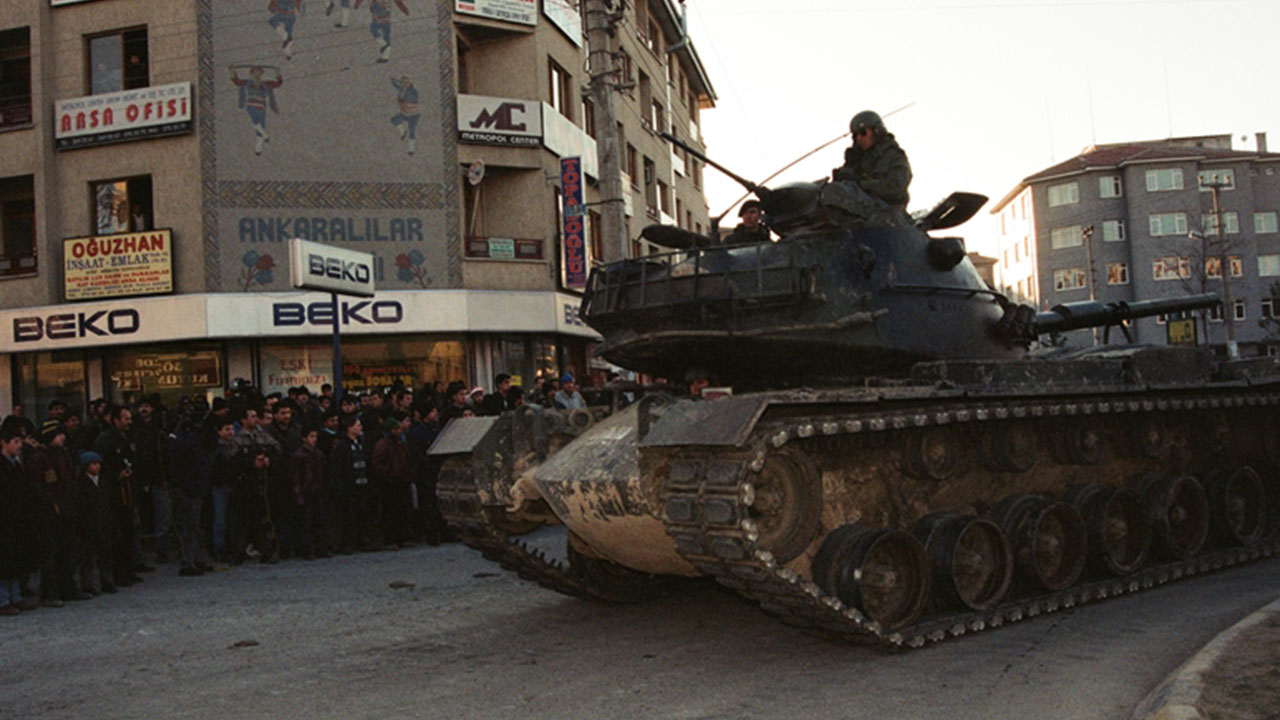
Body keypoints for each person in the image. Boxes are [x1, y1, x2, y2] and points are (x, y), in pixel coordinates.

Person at [832, 110, 913, 212]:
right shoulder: (856, 158)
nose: (859, 138)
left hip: (889, 216)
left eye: (863, 133)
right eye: (855, 135)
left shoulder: (894, 156)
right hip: (858, 215)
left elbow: (896, 188)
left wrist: (860, 183)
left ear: (877, 132)